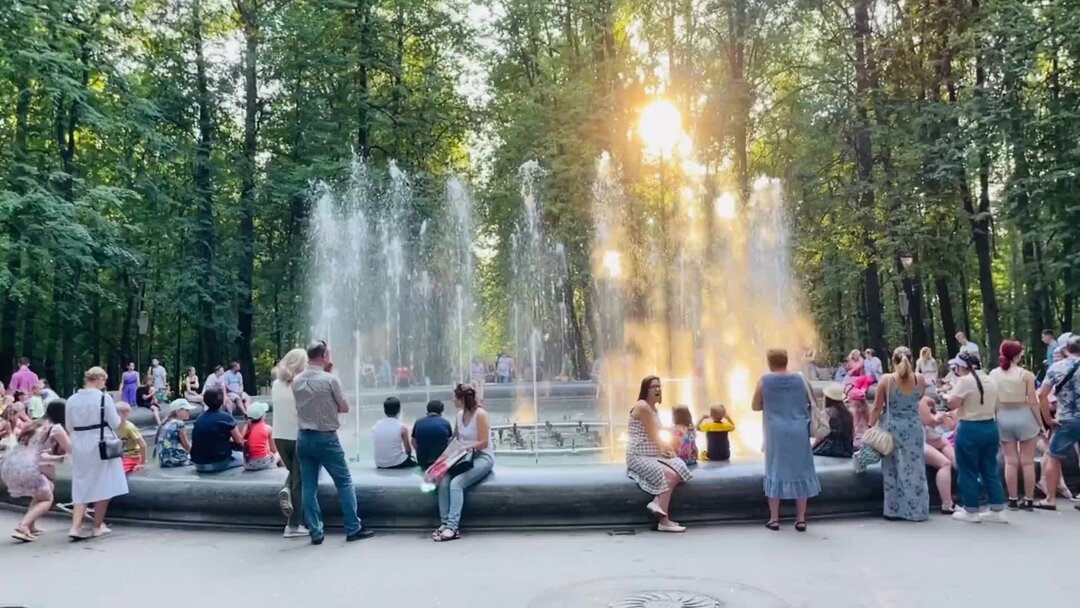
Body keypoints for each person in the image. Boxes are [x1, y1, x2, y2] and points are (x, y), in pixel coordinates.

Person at [293, 340, 372, 544]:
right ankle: (353, 528)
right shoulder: (330, 380)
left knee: (309, 487)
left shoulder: (297, 380)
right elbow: (344, 407)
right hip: (326, 438)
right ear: (325, 356)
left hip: (303, 438)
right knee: (344, 482)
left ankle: (316, 532)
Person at [753, 349, 820, 531]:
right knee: (801, 469)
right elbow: (812, 401)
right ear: (786, 360)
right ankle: (800, 519)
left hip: (775, 432)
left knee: (774, 470)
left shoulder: (764, 381)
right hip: (799, 430)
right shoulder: (800, 379)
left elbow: (755, 406)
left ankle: (774, 519)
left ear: (769, 362)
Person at [66, 366, 128, 539]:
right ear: (100, 379)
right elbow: (115, 423)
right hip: (101, 445)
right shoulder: (104, 398)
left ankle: (75, 527)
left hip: (79, 444)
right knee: (104, 484)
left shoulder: (71, 399)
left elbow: (69, 426)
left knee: (80, 484)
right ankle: (97, 526)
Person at [626, 376, 692, 533]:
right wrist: (665, 449)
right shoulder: (642, 407)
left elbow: (658, 435)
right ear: (645, 389)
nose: (657, 389)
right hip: (639, 455)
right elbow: (653, 435)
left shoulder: (653, 409)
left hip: (653, 454)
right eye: (653, 387)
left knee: (678, 467)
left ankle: (657, 502)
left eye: (659, 386)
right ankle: (664, 520)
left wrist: (669, 449)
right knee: (669, 475)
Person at [945, 352, 1006, 523]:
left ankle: (971, 510)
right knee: (989, 468)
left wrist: (947, 397)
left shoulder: (965, 381)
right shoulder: (991, 379)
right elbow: (997, 405)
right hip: (990, 426)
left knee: (967, 470)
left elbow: (953, 403)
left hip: (969, 427)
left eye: (955, 368)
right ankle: (997, 508)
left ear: (962, 367)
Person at [870, 347, 929, 522]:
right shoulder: (920, 379)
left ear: (892, 362)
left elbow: (876, 407)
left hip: (892, 429)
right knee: (916, 468)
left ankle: (894, 510)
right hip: (913, 428)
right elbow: (917, 399)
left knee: (892, 469)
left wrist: (869, 427)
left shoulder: (886, 380)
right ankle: (916, 510)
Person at [433, 384, 496, 541]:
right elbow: (455, 440)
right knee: (444, 480)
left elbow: (484, 442)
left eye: (454, 397)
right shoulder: (459, 415)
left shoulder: (481, 415)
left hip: (482, 457)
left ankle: (453, 527)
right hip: (463, 457)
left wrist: (466, 447)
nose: (452, 400)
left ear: (462, 398)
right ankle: (445, 522)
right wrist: (441, 460)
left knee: (457, 483)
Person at [989, 340, 1041, 510]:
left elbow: (993, 399)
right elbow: (1033, 401)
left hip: (1003, 416)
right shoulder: (1026, 375)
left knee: (1010, 461)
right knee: (1027, 461)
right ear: (1017, 355)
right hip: (1024, 416)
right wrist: (1040, 423)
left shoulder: (994, 374)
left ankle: (1011, 498)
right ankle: (1029, 499)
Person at [1035, 334, 1080, 512]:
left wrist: (1047, 419)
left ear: (1066, 350)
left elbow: (1042, 395)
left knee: (1053, 457)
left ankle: (1050, 498)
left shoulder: (1057, 367)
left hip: (1065, 420)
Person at [2, 421, 64, 542]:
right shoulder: (52, 431)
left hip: (13, 465)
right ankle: (23, 525)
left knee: (41, 493)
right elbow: (42, 457)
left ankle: (31, 526)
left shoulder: (33, 429)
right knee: (46, 499)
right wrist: (59, 458)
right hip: (30, 468)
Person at [271, 348, 308, 538]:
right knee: (299, 481)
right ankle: (293, 526)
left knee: (294, 474)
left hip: (279, 437)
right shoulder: (300, 384)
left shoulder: (276, 384)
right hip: (297, 436)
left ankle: (285, 489)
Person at [190, 387, 244, 472]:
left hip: (198, 463)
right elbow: (239, 440)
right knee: (243, 457)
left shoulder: (199, 418)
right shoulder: (226, 417)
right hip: (216, 463)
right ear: (222, 401)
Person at [920, 396, 957, 514]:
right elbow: (930, 421)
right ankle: (947, 503)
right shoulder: (920, 401)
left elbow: (948, 427)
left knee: (944, 443)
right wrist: (938, 417)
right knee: (945, 464)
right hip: (915, 442)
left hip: (925, 437)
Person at [373, 397, 416, 469]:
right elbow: (408, 450)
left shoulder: (377, 425)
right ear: (399, 410)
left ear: (385, 410)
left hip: (379, 463)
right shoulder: (402, 427)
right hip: (397, 463)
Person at [812, 384, 854, 458]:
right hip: (845, 449)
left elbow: (820, 436)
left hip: (828, 448)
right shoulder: (848, 414)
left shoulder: (826, 413)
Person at [412, 399, 453, 469]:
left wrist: (419, 451)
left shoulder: (418, 422)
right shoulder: (445, 423)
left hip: (423, 462)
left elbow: (413, 441)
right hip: (441, 462)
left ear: (427, 410)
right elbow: (450, 441)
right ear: (441, 411)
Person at [156, 399, 196, 468]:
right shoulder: (179, 423)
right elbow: (185, 444)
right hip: (173, 459)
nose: (189, 412)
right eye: (186, 410)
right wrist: (195, 454)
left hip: (163, 459)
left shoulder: (166, 422)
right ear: (177, 412)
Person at [38, 400, 71, 482]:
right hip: (41, 467)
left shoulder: (35, 424)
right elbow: (71, 449)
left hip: (24, 465)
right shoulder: (56, 429)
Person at [242, 402, 278, 471]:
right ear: (262, 416)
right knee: (278, 453)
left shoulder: (246, 428)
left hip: (247, 464)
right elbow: (273, 450)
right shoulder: (267, 428)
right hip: (263, 463)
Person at [115, 402, 147, 475]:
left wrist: (142, 463)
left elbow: (143, 445)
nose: (126, 415)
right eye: (123, 412)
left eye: (126, 413)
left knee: (118, 473)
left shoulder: (129, 427)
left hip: (132, 457)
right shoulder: (114, 426)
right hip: (122, 457)